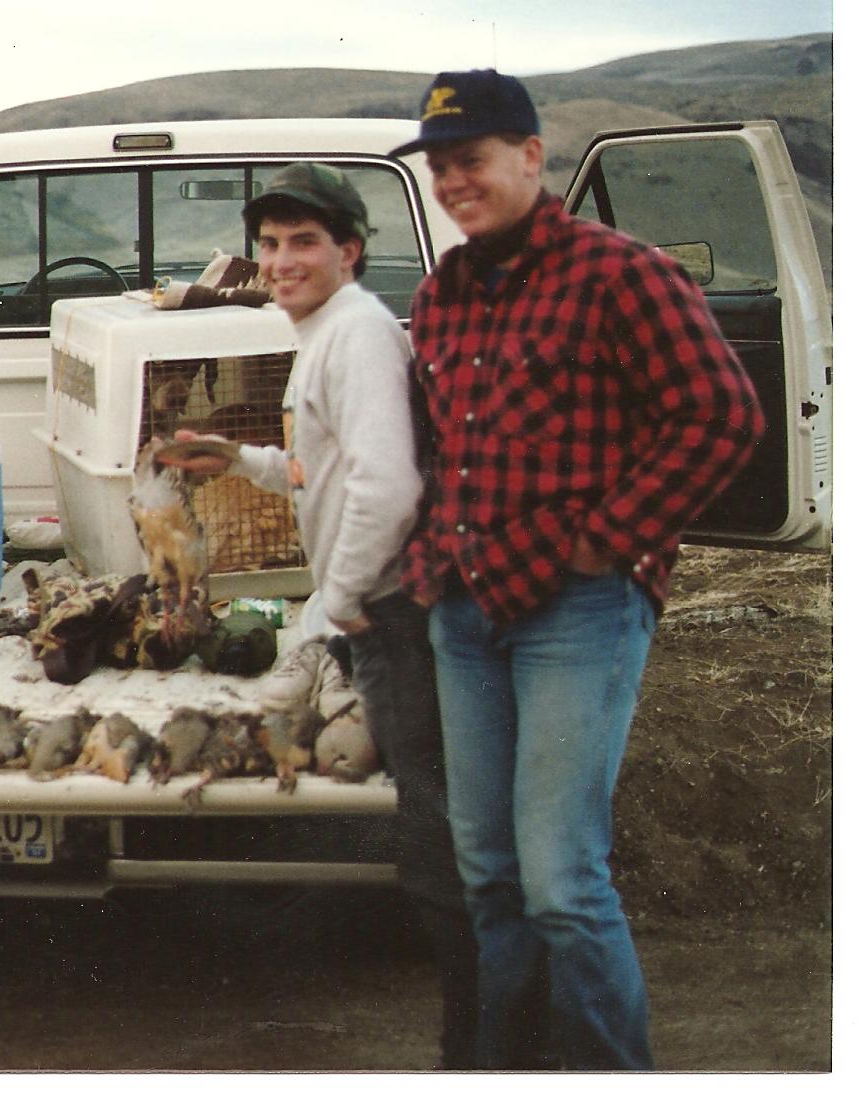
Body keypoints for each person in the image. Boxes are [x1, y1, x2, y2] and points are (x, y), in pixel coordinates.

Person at [391, 70, 763, 1069]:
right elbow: (443, 446)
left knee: (561, 878)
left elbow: (723, 415)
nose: (454, 180)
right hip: (465, 606)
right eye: (439, 166)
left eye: (470, 159)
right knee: (490, 875)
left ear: (529, 155)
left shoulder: (622, 273)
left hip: (579, 607)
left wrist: (612, 534)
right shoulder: (438, 296)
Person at [158, 162, 479, 1069]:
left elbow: (389, 485)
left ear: (351, 251)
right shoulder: (327, 332)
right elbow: (328, 465)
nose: (281, 259)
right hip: (376, 612)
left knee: (435, 837)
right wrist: (246, 460)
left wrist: (331, 610)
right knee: (430, 827)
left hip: (393, 618)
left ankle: (488, 1058)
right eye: (268, 244)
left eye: (305, 242)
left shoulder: (359, 336)